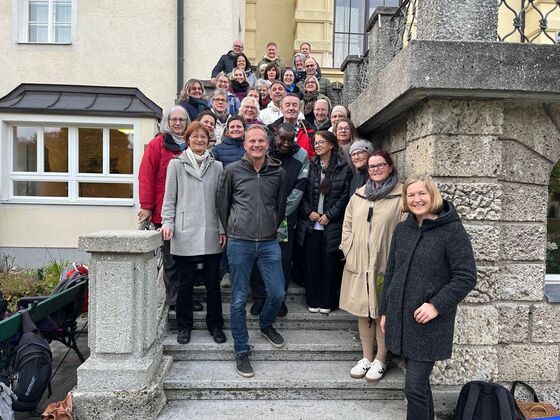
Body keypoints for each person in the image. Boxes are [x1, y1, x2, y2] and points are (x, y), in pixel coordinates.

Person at [380, 175, 477, 419]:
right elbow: (391, 272)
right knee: (419, 386)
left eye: (421, 193)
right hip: (403, 318)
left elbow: (466, 276)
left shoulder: (452, 230)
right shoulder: (403, 229)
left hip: (430, 323)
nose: (416, 199)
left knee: (413, 386)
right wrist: (385, 311)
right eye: (410, 195)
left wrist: (436, 305)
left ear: (432, 195)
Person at [217, 124, 287, 378]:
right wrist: (231, 229)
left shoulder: (277, 172)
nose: (257, 145)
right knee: (237, 299)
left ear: (268, 143)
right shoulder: (232, 171)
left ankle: (266, 324)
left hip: (268, 242)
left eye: (261, 141)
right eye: (252, 141)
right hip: (239, 242)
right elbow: (222, 205)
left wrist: (269, 226)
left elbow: (280, 207)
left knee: (277, 292)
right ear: (244, 144)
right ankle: (241, 349)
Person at [339, 150, 404, 383]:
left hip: (385, 263)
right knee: (362, 311)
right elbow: (347, 224)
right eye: (371, 166)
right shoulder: (359, 195)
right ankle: (366, 357)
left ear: (390, 166)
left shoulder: (400, 196)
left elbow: (406, 231)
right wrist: (348, 248)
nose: (375, 169)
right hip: (359, 263)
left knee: (380, 312)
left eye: (380, 165)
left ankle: (380, 359)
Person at [161, 121, 226, 345]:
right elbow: (169, 199)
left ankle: (215, 325)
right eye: (195, 137)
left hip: (210, 230)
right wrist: (167, 222)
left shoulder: (217, 166)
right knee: (185, 284)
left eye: (203, 137)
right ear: (187, 139)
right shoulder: (176, 165)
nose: (199, 140)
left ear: (209, 141)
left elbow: (221, 202)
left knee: (212, 283)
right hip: (184, 230)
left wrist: (222, 228)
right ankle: (184, 327)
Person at [138, 106, 202, 312]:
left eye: (181, 120)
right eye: (173, 119)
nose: (177, 123)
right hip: (165, 212)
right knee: (171, 259)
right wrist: (147, 207)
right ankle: (175, 300)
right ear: (167, 121)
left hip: (190, 212)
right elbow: (146, 176)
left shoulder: (192, 145)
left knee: (189, 258)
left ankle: (187, 297)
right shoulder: (158, 145)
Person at [250, 123, 309, 317]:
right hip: (261, 217)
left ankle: (279, 299)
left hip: (284, 220)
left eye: (290, 139)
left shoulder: (301, 156)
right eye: (282, 139)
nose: (285, 143)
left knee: (282, 259)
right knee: (258, 257)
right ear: (274, 136)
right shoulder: (264, 152)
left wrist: (280, 212)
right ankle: (259, 298)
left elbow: (299, 188)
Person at [297, 130, 352, 314]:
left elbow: (344, 195)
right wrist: (309, 212)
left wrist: (330, 214)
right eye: (316, 142)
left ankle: (327, 302)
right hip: (311, 224)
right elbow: (301, 192)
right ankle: (313, 300)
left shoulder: (343, 166)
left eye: (321, 142)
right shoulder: (310, 165)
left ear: (331, 144)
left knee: (330, 265)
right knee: (311, 264)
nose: (317, 145)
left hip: (332, 224)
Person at [269, 93, 315, 159]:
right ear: (281, 108)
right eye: (287, 105)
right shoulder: (272, 130)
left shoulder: (309, 131)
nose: (291, 108)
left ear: (299, 109)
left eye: (294, 105)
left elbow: (313, 155)